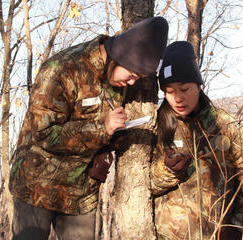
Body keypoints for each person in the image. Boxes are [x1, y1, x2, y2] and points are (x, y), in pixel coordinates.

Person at [9, 16, 169, 240]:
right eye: (132, 74)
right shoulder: (62, 69)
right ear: (120, 55)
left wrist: (113, 138)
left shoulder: (117, 78)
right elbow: (44, 133)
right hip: (37, 187)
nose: (132, 83)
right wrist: (101, 130)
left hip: (81, 195)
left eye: (138, 78)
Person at [150, 41, 243, 240]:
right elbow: (139, 184)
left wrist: (237, 227)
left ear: (198, 85)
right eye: (169, 92)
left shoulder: (225, 125)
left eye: (184, 89)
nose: (177, 98)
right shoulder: (156, 128)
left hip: (218, 234)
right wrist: (167, 171)